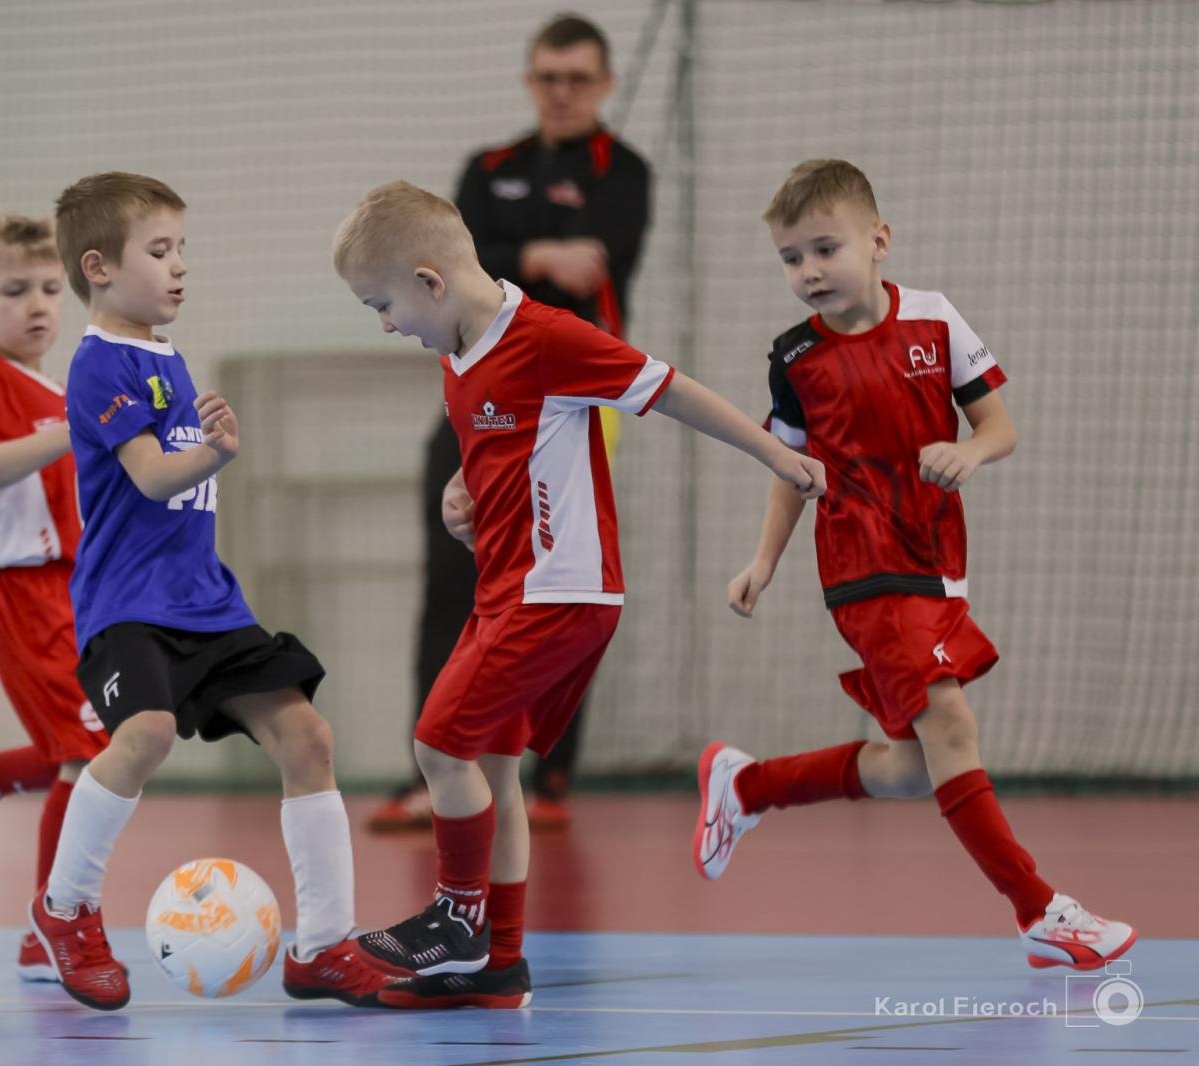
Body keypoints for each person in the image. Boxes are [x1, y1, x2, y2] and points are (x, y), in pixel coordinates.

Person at [332, 181, 825, 1008]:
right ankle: (500, 967)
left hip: (557, 594)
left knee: (438, 747)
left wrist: (775, 456)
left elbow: (668, 388)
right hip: (510, 590)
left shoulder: (548, 337)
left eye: (382, 305)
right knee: (493, 764)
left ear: (429, 282)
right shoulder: (459, 351)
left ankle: (457, 919)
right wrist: (465, 491)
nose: (385, 324)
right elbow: (507, 440)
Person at [697, 159, 1136, 971]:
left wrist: (970, 452)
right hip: (863, 568)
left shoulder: (935, 321)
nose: (809, 271)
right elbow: (792, 473)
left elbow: (999, 427)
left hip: (938, 565)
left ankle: (746, 786)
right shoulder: (794, 358)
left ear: (879, 241)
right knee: (951, 725)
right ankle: (1039, 911)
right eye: (792, 259)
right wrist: (762, 560)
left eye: (825, 248)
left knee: (907, 767)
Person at [26, 172, 383, 1011]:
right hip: (127, 606)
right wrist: (215, 453)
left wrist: (207, 439)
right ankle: (64, 907)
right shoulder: (96, 364)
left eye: (183, 248)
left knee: (308, 737)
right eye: (159, 251)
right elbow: (150, 479)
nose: (180, 266)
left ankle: (325, 945)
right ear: (99, 267)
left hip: (209, 604)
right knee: (145, 733)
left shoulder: (165, 355)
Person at [371, 12, 651, 834]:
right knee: (455, 571)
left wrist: (512, 255)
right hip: (478, 400)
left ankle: (549, 770)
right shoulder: (488, 167)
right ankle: (434, 761)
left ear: (603, 86)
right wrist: (535, 259)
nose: (561, 93)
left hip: (571, 406)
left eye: (578, 79)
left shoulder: (623, 170)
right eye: (547, 77)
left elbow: (607, 256)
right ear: (530, 82)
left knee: (562, 580)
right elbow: (460, 260)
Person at [0, 214, 110, 981]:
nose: (37, 304)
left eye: (47, 287)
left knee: (103, 747)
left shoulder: (54, 384)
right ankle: (51, 924)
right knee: (94, 754)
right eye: (14, 291)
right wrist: (72, 428)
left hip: (74, 592)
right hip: (25, 594)